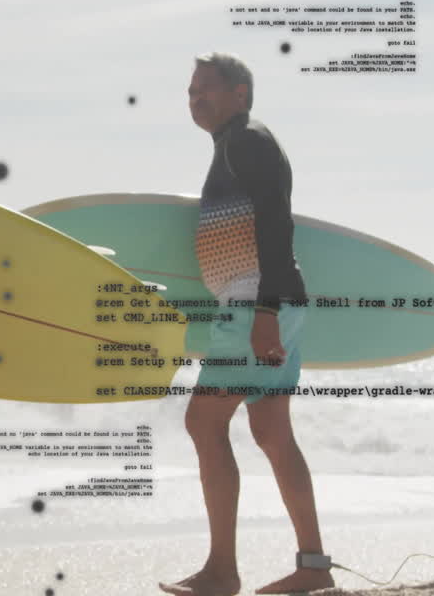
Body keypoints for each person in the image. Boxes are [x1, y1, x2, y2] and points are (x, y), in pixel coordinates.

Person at [158, 53, 334, 596]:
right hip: (274, 303)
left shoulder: (247, 140)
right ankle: (313, 566)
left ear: (240, 93)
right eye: (190, 92)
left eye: (206, 89)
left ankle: (221, 572)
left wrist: (263, 313)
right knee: (273, 432)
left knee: (204, 424)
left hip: (255, 303)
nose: (195, 99)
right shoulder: (236, 144)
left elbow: (276, 223)